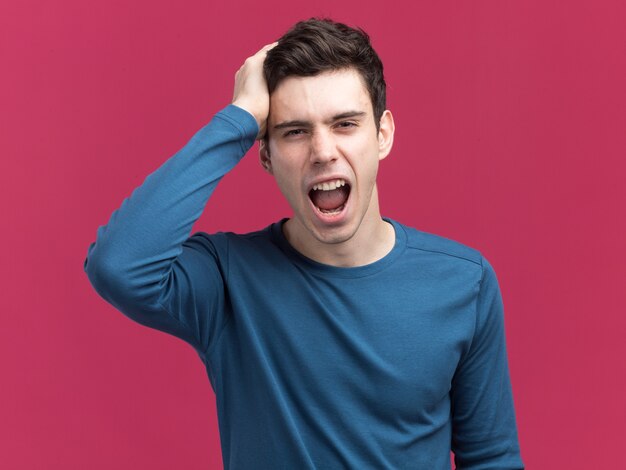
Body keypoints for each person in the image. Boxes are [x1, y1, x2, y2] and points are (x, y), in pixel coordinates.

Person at [84, 18, 524, 469]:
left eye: (345, 124)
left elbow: (492, 457)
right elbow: (119, 265)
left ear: (383, 134)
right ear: (265, 155)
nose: (323, 150)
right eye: (295, 131)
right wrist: (237, 118)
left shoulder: (464, 283)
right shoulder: (228, 280)